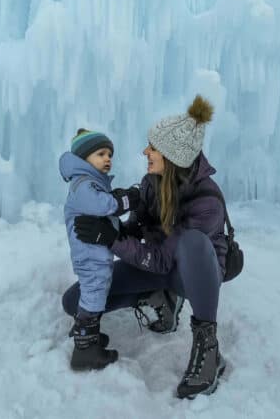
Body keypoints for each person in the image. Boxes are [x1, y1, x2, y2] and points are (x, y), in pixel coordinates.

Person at [61, 96, 228, 399]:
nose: (145, 151)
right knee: (75, 302)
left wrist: (109, 240)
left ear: (172, 156)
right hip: (156, 265)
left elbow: (165, 261)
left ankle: (209, 347)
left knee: (191, 244)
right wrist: (107, 226)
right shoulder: (152, 182)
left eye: (153, 147)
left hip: (193, 277)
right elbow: (136, 229)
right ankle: (159, 297)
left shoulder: (207, 202)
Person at [59, 129, 140, 371]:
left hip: (95, 253)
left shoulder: (89, 183)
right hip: (90, 255)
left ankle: (88, 335)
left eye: (110, 155)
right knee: (94, 295)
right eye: (100, 153)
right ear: (84, 158)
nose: (107, 159)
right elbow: (101, 206)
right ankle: (85, 349)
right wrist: (124, 200)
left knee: (96, 293)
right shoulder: (83, 184)